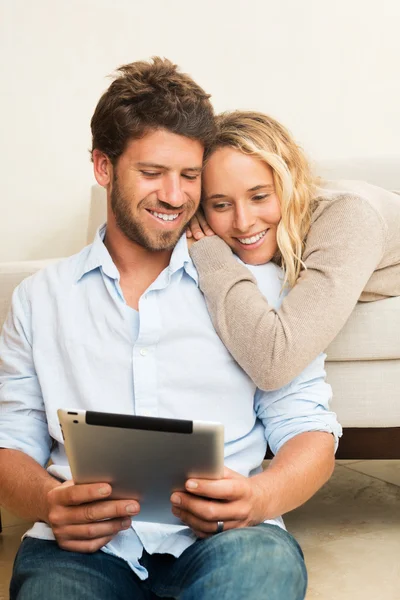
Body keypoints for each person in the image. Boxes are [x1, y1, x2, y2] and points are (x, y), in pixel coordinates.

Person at [0, 59, 341, 600]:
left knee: (263, 576)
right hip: (85, 550)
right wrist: (49, 502)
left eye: (189, 176)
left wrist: (259, 495)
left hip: (231, 541)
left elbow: (309, 430)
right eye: (152, 172)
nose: (175, 196)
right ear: (103, 167)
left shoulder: (256, 289)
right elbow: (10, 443)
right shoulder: (40, 300)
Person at [187, 111, 400, 391]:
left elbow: (273, 364)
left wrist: (212, 257)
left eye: (259, 196)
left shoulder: (348, 218)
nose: (243, 222)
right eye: (221, 205)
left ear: (291, 185)